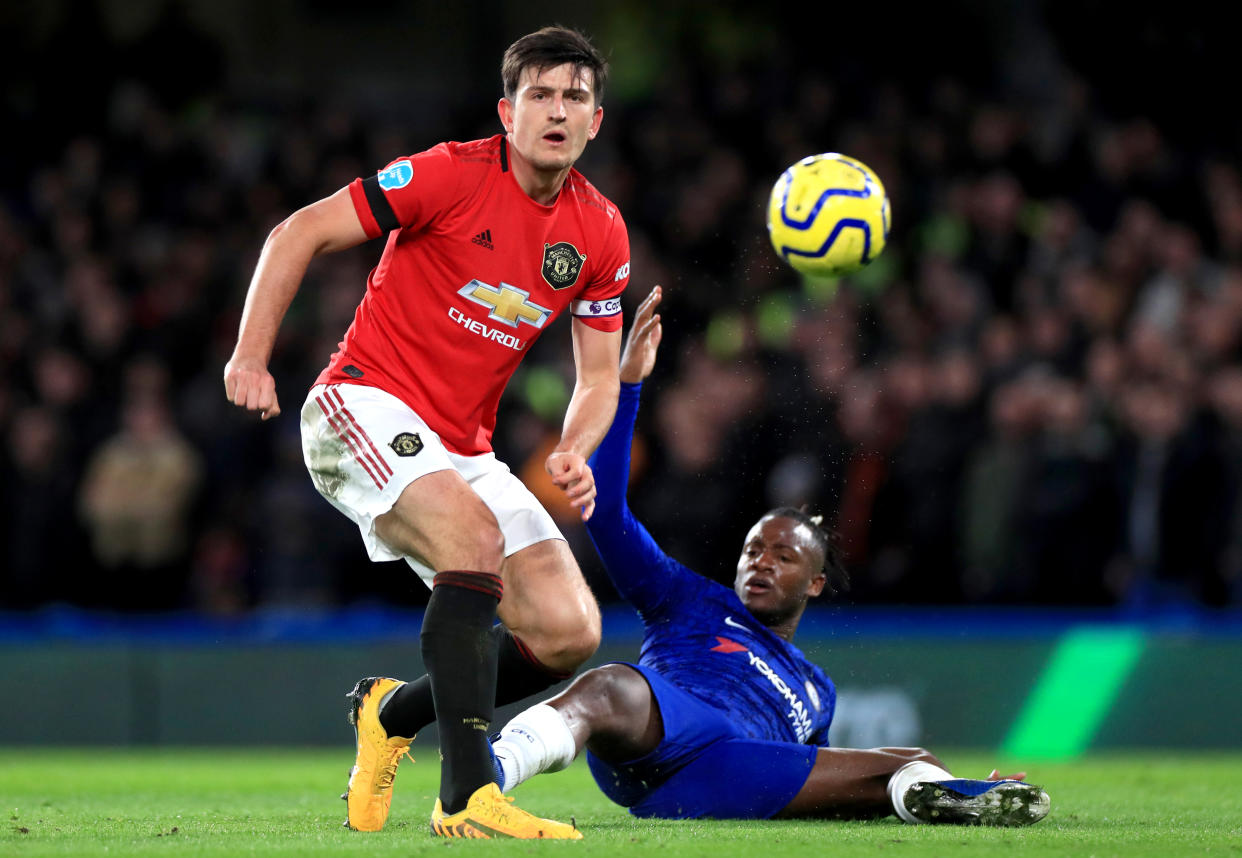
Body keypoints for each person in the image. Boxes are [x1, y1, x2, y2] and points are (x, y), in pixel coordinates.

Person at [224, 26, 631, 840]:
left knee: (567, 630)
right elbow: (296, 232)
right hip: (359, 405)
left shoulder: (599, 232)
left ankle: (392, 714)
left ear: (595, 121)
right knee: (473, 541)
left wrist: (575, 447)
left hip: (463, 445)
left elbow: (596, 377)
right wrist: (250, 355)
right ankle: (467, 795)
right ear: (507, 111)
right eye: (540, 95)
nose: (557, 111)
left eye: (574, 97)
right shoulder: (449, 174)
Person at [487, 287, 1052, 826]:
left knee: (911, 761)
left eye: (784, 556)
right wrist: (629, 383)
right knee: (611, 685)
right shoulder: (686, 599)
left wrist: (911, 775)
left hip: (729, 776)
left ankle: (964, 798)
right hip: (662, 736)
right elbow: (605, 511)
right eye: (754, 550)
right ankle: (489, 773)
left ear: (814, 584)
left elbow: (817, 773)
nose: (762, 561)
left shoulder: (817, 692)